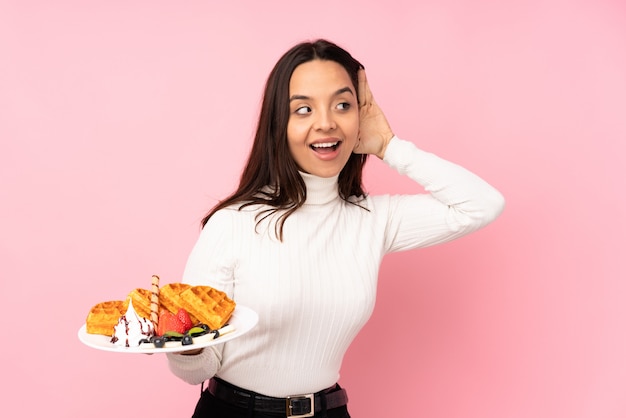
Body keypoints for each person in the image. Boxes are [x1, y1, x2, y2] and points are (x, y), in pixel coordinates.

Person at [166, 39, 505, 418]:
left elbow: (483, 204)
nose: (326, 122)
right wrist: (187, 345)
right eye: (304, 109)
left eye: (343, 105)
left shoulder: (372, 219)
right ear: (279, 124)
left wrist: (389, 145)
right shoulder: (234, 222)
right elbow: (198, 367)